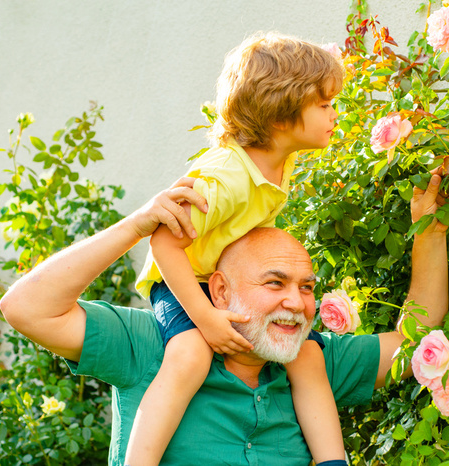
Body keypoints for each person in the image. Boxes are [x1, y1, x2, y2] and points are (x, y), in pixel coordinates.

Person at [0, 162, 449, 465]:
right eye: (274, 283)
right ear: (218, 290)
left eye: (307, 287)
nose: (296, 303)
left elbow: (418, 345)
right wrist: (137, 226)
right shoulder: (151, 343)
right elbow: (25, 309)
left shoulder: (310, 360)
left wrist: (429, 233)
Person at [130, 32, 345, 465]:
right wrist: (204, 317)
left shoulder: (276, 162)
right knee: (189, 354)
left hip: (218, 279)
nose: (334, 114)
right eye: (323, 105)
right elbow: (163, 240)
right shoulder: (227, 177)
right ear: (281, 114)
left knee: (307, 356)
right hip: (182, 281)